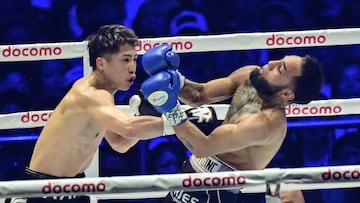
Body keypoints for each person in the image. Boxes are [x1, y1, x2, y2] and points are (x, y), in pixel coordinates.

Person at [6, 24, 172, 203]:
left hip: (75, 187)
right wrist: (177, 121)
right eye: (125, 60)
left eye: (134, 59)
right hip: (42, 189)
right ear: (101, 63)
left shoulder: (103, 96)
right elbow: (128, 128)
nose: (133, 67)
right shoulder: (91, 94)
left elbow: (120, 143)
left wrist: (145, 117)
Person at [138, 45, 324, 203]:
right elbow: (201, 94)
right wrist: (173, 78)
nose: (271, 63)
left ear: (286, 94)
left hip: (220, 189)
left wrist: (171, 110)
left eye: (280, 69)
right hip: (192, 170)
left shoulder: (266, 123)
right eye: (279, 60)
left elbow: (204, 146)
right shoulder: (250, 76)